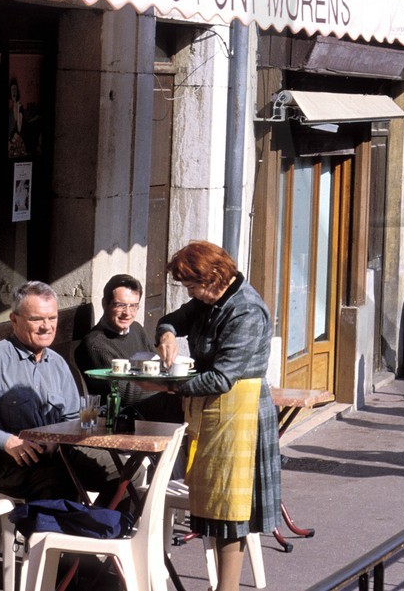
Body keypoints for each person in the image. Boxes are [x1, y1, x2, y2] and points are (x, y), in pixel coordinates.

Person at [153, 241, 281, 591]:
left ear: (212, 277)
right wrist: (166, 335)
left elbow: (223, 377)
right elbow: (171, 319)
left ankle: (228, 588)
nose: (190, 293)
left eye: (192, 285)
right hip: (215, 412)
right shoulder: (207, 301)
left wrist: (171, 386)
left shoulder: (246, 310)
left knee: (231, 509)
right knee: (215, 507)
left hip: (242, 413)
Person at [0, 281, 95, 501]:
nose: (46, 326)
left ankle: (107, 529)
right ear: (14, 320)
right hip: (2, 464)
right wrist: (7, 441)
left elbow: (73, 417)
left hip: (54, 458)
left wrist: (57, 441)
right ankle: (48, 533)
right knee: (59, 481)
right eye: (36, 319)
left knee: (118, 471)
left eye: (52, 318)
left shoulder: (58, 363)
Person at [74, 274, 179, 422]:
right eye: (120, 305)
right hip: (126, 417)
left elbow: (156, 366)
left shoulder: (136, 329)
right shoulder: (96, 345)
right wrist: (170, 388)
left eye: (133, 306)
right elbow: (126, 393)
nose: (127, 313)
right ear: (105, 304)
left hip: (152, 405)